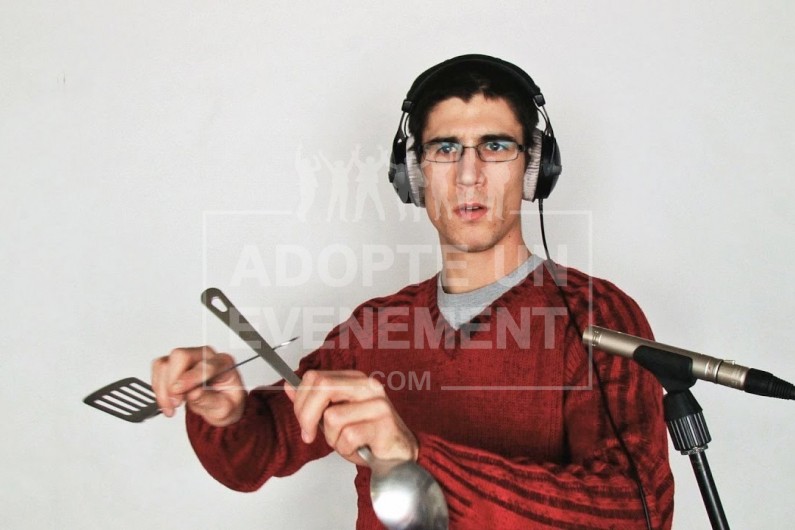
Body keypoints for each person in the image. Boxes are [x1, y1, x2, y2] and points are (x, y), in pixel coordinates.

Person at [151, 54, 675, 529]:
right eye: (445, 149)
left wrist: (416, 457)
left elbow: (635, 511)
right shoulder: (373, 329)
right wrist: (227, 413)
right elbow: (255, 454)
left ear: (533, 167)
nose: (469, 176)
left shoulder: (597, 316)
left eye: (495, 146)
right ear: (415, 173)